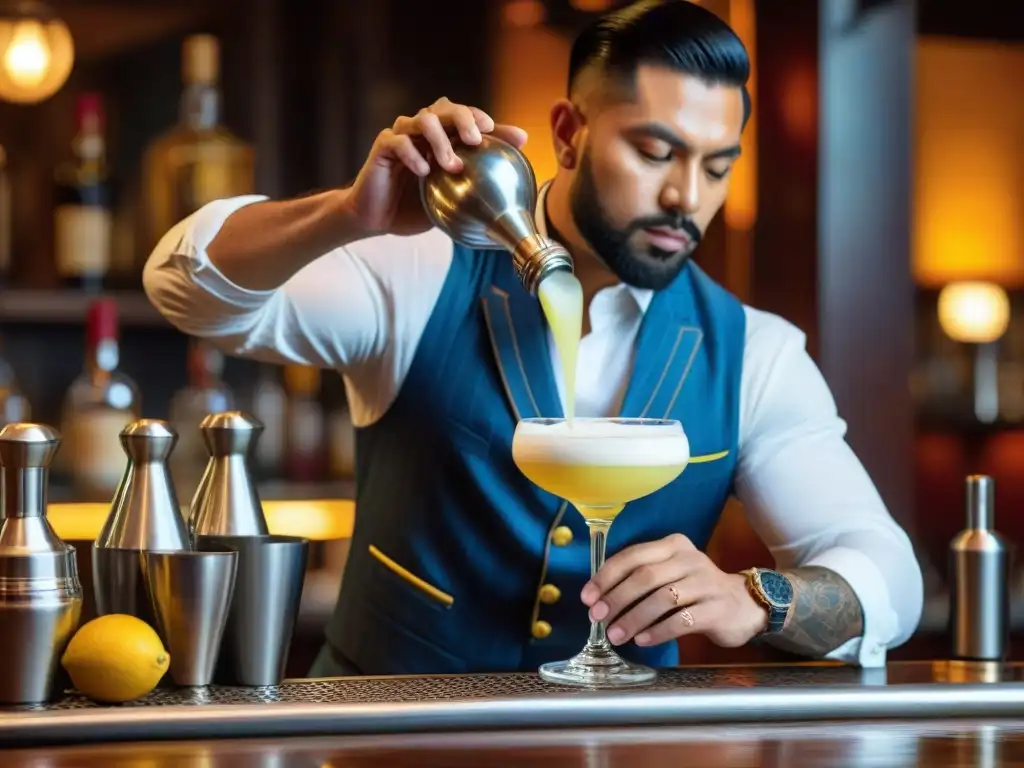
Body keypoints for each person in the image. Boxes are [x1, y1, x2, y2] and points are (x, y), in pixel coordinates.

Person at [144, 0, 922, 677]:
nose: (687, 196)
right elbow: (185, 287)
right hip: (386, 736)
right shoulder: (415, 273)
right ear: (568, 133)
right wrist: (348, 217)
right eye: (655, 153)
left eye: (717, 167)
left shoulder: (755, 353)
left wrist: (757, 597)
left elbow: (886, 571)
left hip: (617, 747)